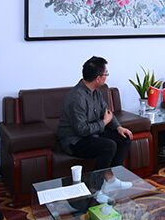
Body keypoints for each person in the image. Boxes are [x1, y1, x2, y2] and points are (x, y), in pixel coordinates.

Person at [57, 56, 133, 192]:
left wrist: (118, 127)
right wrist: (104, 122)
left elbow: (107, 112)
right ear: (98, 78)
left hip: (93, 133)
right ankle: (95, 189)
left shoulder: (96, 92)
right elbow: (82, 130)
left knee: (124, 138)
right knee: (108, 146)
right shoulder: (77, 98)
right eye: (106, 74)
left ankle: (110, 179)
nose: (107, 77)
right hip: (75, 141)